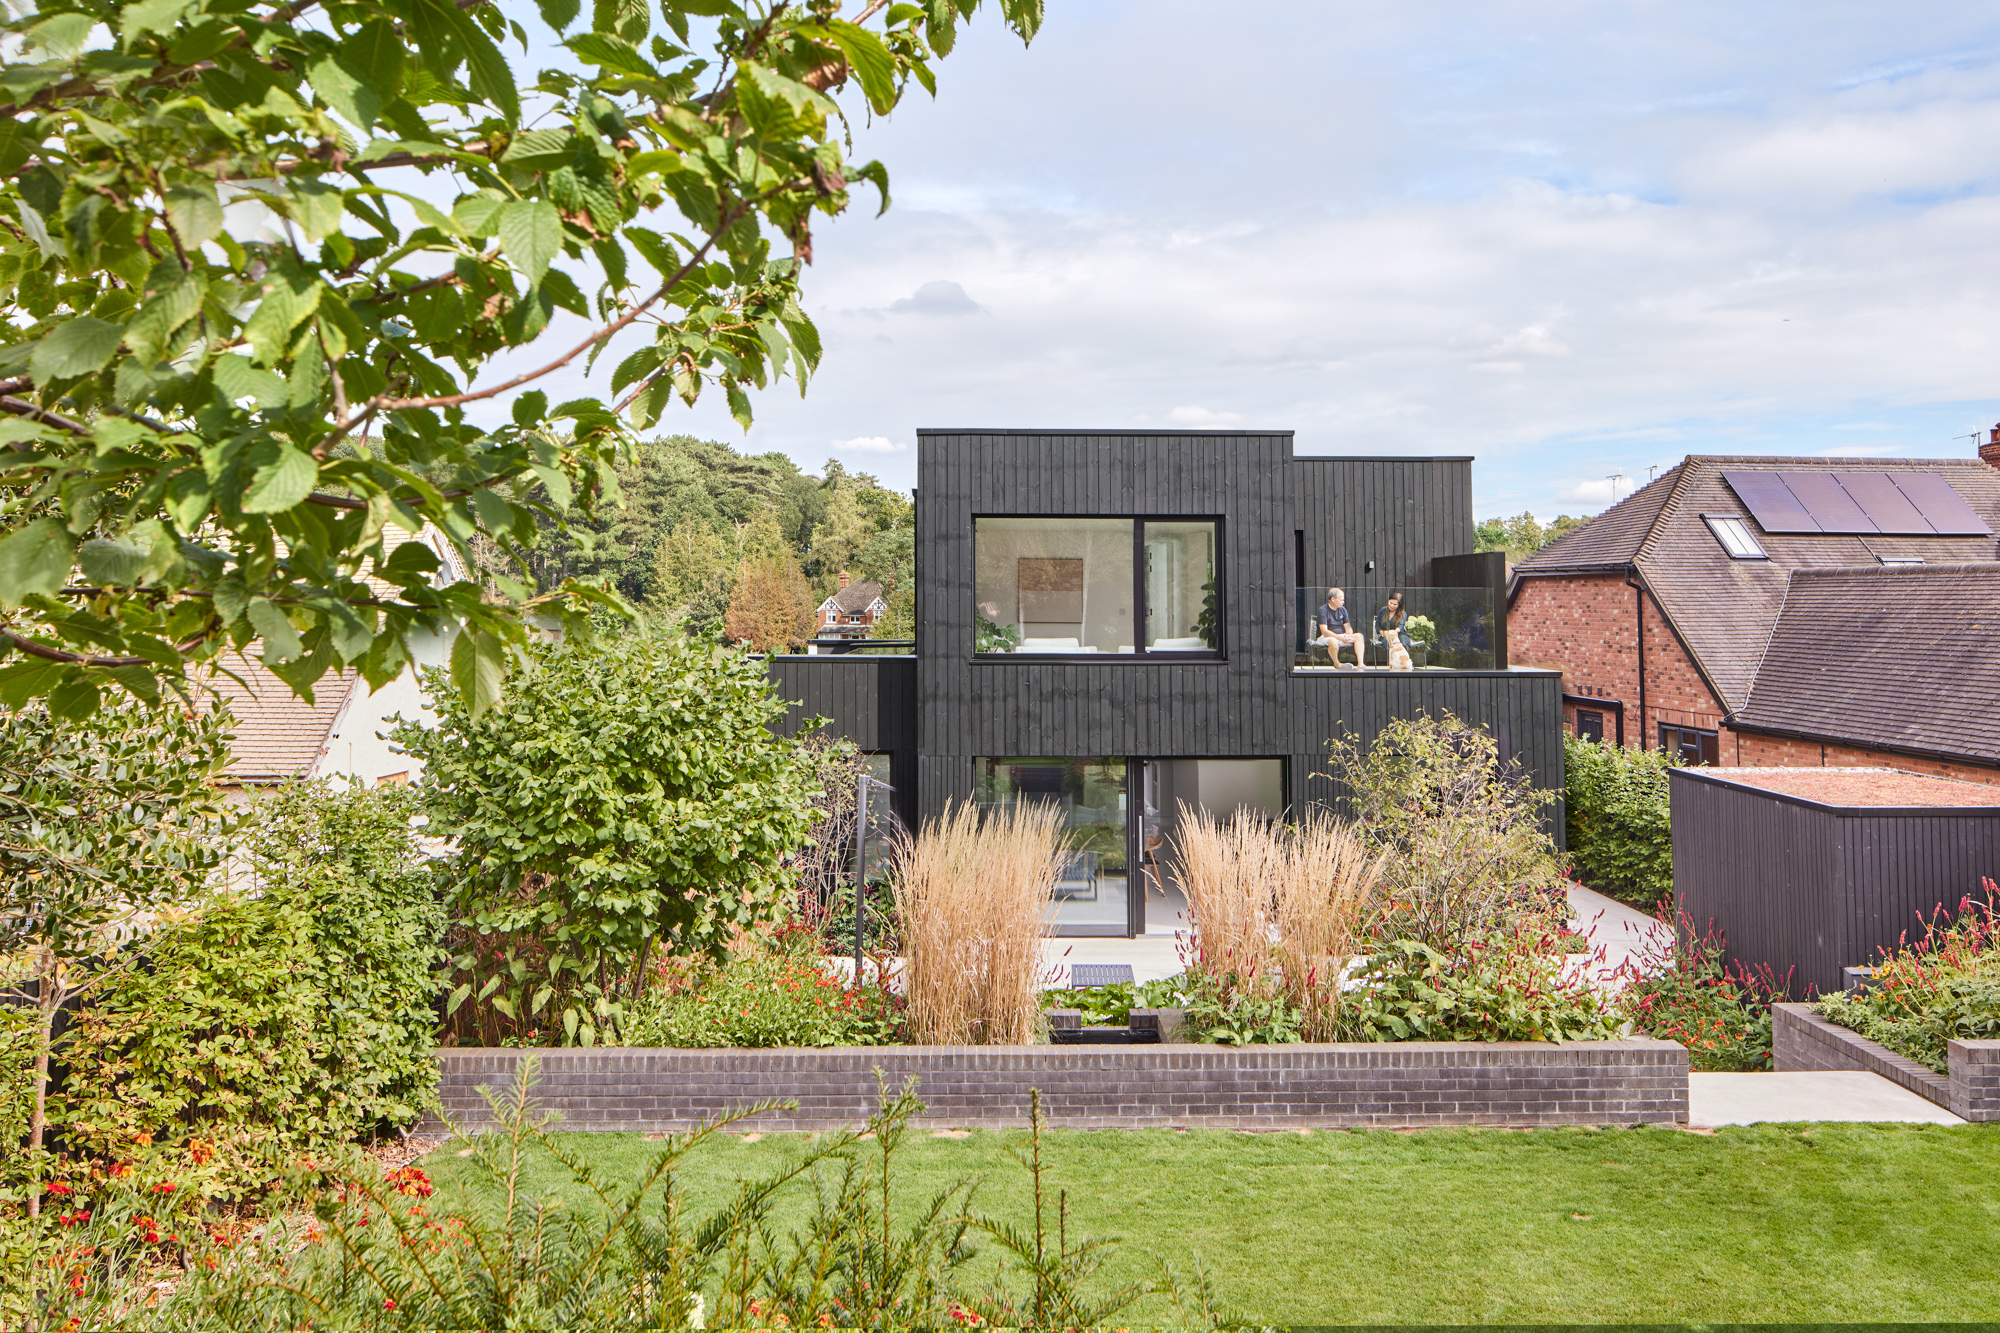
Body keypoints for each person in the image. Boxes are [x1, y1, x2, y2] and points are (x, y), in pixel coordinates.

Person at [1311, 587, 1366, 668]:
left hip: (1341, 636)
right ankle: (1337, 664)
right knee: (1333, 641)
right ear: (1333, 599)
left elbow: (1348, 628)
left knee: (1359, 636)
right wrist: (1340, 638)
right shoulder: (1323, 610)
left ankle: (1360, 664)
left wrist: (1348, 635)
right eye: (1341, 600)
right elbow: (1324, 631)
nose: (1343, 602)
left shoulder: (1343, 610)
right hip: (1326, 637)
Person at [1373, 591, 1414, 671]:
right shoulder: (1383, 610)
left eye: (1395, 604)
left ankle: (1404, 663)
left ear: (1399, 605)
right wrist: (1383, 633)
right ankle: (1394, 663)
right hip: (1385, 634)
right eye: (1390, 602)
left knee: (1402, 641)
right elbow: (1377, 624)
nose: (1391, 605)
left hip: (1399, 634)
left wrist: (1395, 632)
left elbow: (1400, 626)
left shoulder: (1402, 613)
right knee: (1387, 643)